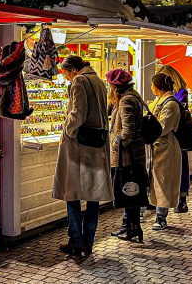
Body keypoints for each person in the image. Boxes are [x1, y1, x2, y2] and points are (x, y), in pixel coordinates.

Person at [52, 55, 112, 257]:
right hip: (96, 145)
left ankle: (76, 241)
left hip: (79, 147)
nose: (68, 78)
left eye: (67, 74)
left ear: (73, 70)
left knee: (73, 193)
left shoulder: (79, 81)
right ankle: (89, 242)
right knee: (93, 197)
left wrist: (67, 131)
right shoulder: (99, 81)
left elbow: (78, 112)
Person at [106, 68, 146, 243]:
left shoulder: (127, 101)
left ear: (115, 86)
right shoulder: (132, 97)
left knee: (129, 191)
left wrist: (115, 144)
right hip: (134, 156)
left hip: (127, 157)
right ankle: (129, 225)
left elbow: (127, 132)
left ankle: (132, 227)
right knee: (132, 192)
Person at [147, 73, 182, 230]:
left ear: (158, 86)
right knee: (154, 182)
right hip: (156, 147)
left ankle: (161, 217)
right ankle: (155, 212)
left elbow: (163, 127)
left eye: (153, 84)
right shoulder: (158, 102)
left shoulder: (171, 104)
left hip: (166, 147)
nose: (151, 87)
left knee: (163, 182)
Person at [156, 64, 190, 213]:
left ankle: (181, 199)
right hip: (171, 138)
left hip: (177, 137)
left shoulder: (177, 96)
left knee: (180, 168)